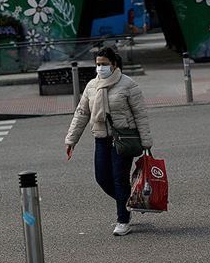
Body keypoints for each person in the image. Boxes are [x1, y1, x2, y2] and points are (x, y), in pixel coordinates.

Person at [65, 46, 152, 236]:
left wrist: (146, 142)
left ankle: (123, 219)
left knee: (119, 179)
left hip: (122, 138)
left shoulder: (128, 85)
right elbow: (81, 114)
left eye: (104, 64)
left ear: (113, 65)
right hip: (101, 139)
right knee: (102, 178)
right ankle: (130, 202)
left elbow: (141, 115)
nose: (100, 68)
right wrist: (71, 140)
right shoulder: (91, 86)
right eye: (98, 64)